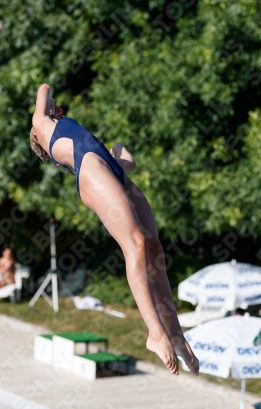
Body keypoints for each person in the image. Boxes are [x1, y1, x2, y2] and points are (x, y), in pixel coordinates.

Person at [30, 83, 199, 377]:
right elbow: (44, 88)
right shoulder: (41, 126)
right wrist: (51, 107)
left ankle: (175, 334)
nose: (55, 110)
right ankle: (154, 332)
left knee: (154, 249)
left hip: (111, 170)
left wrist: (118, 151)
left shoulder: (68, 130)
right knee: (135, 245)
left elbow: (126, 160)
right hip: (92, 170)